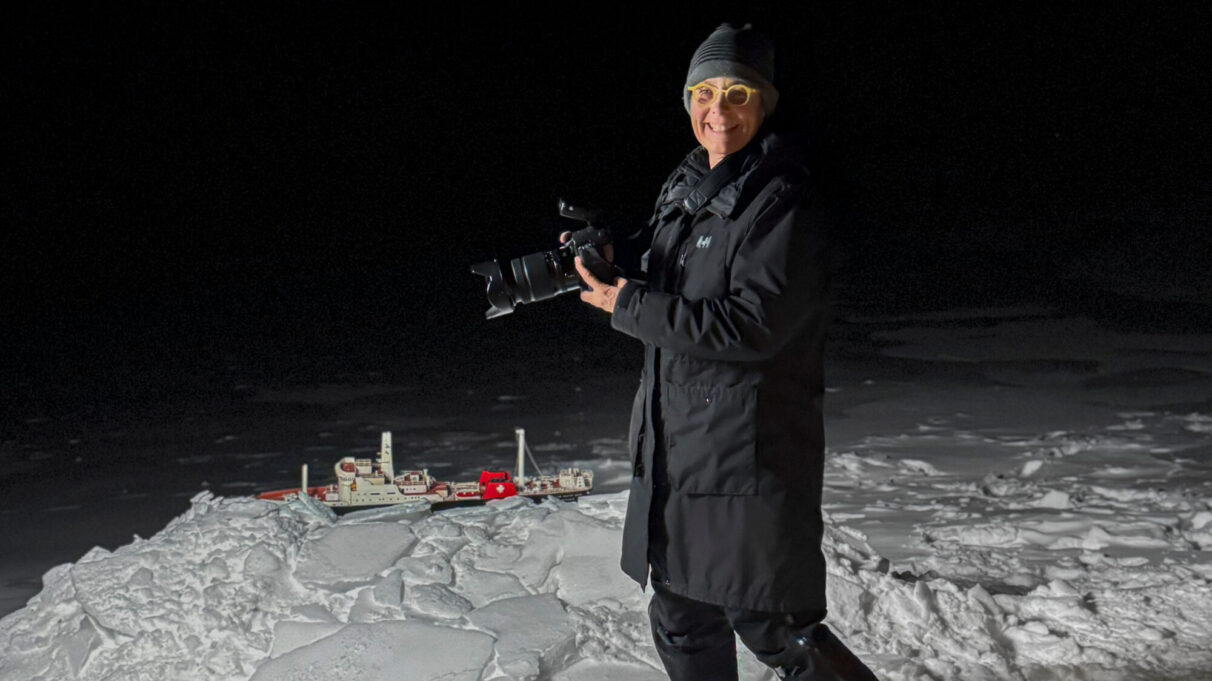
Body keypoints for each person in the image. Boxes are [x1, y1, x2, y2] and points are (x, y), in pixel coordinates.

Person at [569, 23, 879, 681]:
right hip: (682, 450)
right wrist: (612, 257)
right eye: (703, 93)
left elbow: (752, 324)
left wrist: (626, 304)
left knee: (775, 626)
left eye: (736, 94)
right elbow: (668, 269)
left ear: (763, 103)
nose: (717, 111)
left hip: (748, 455)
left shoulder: (782, 202)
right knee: (681, 613)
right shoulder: (687, 187)